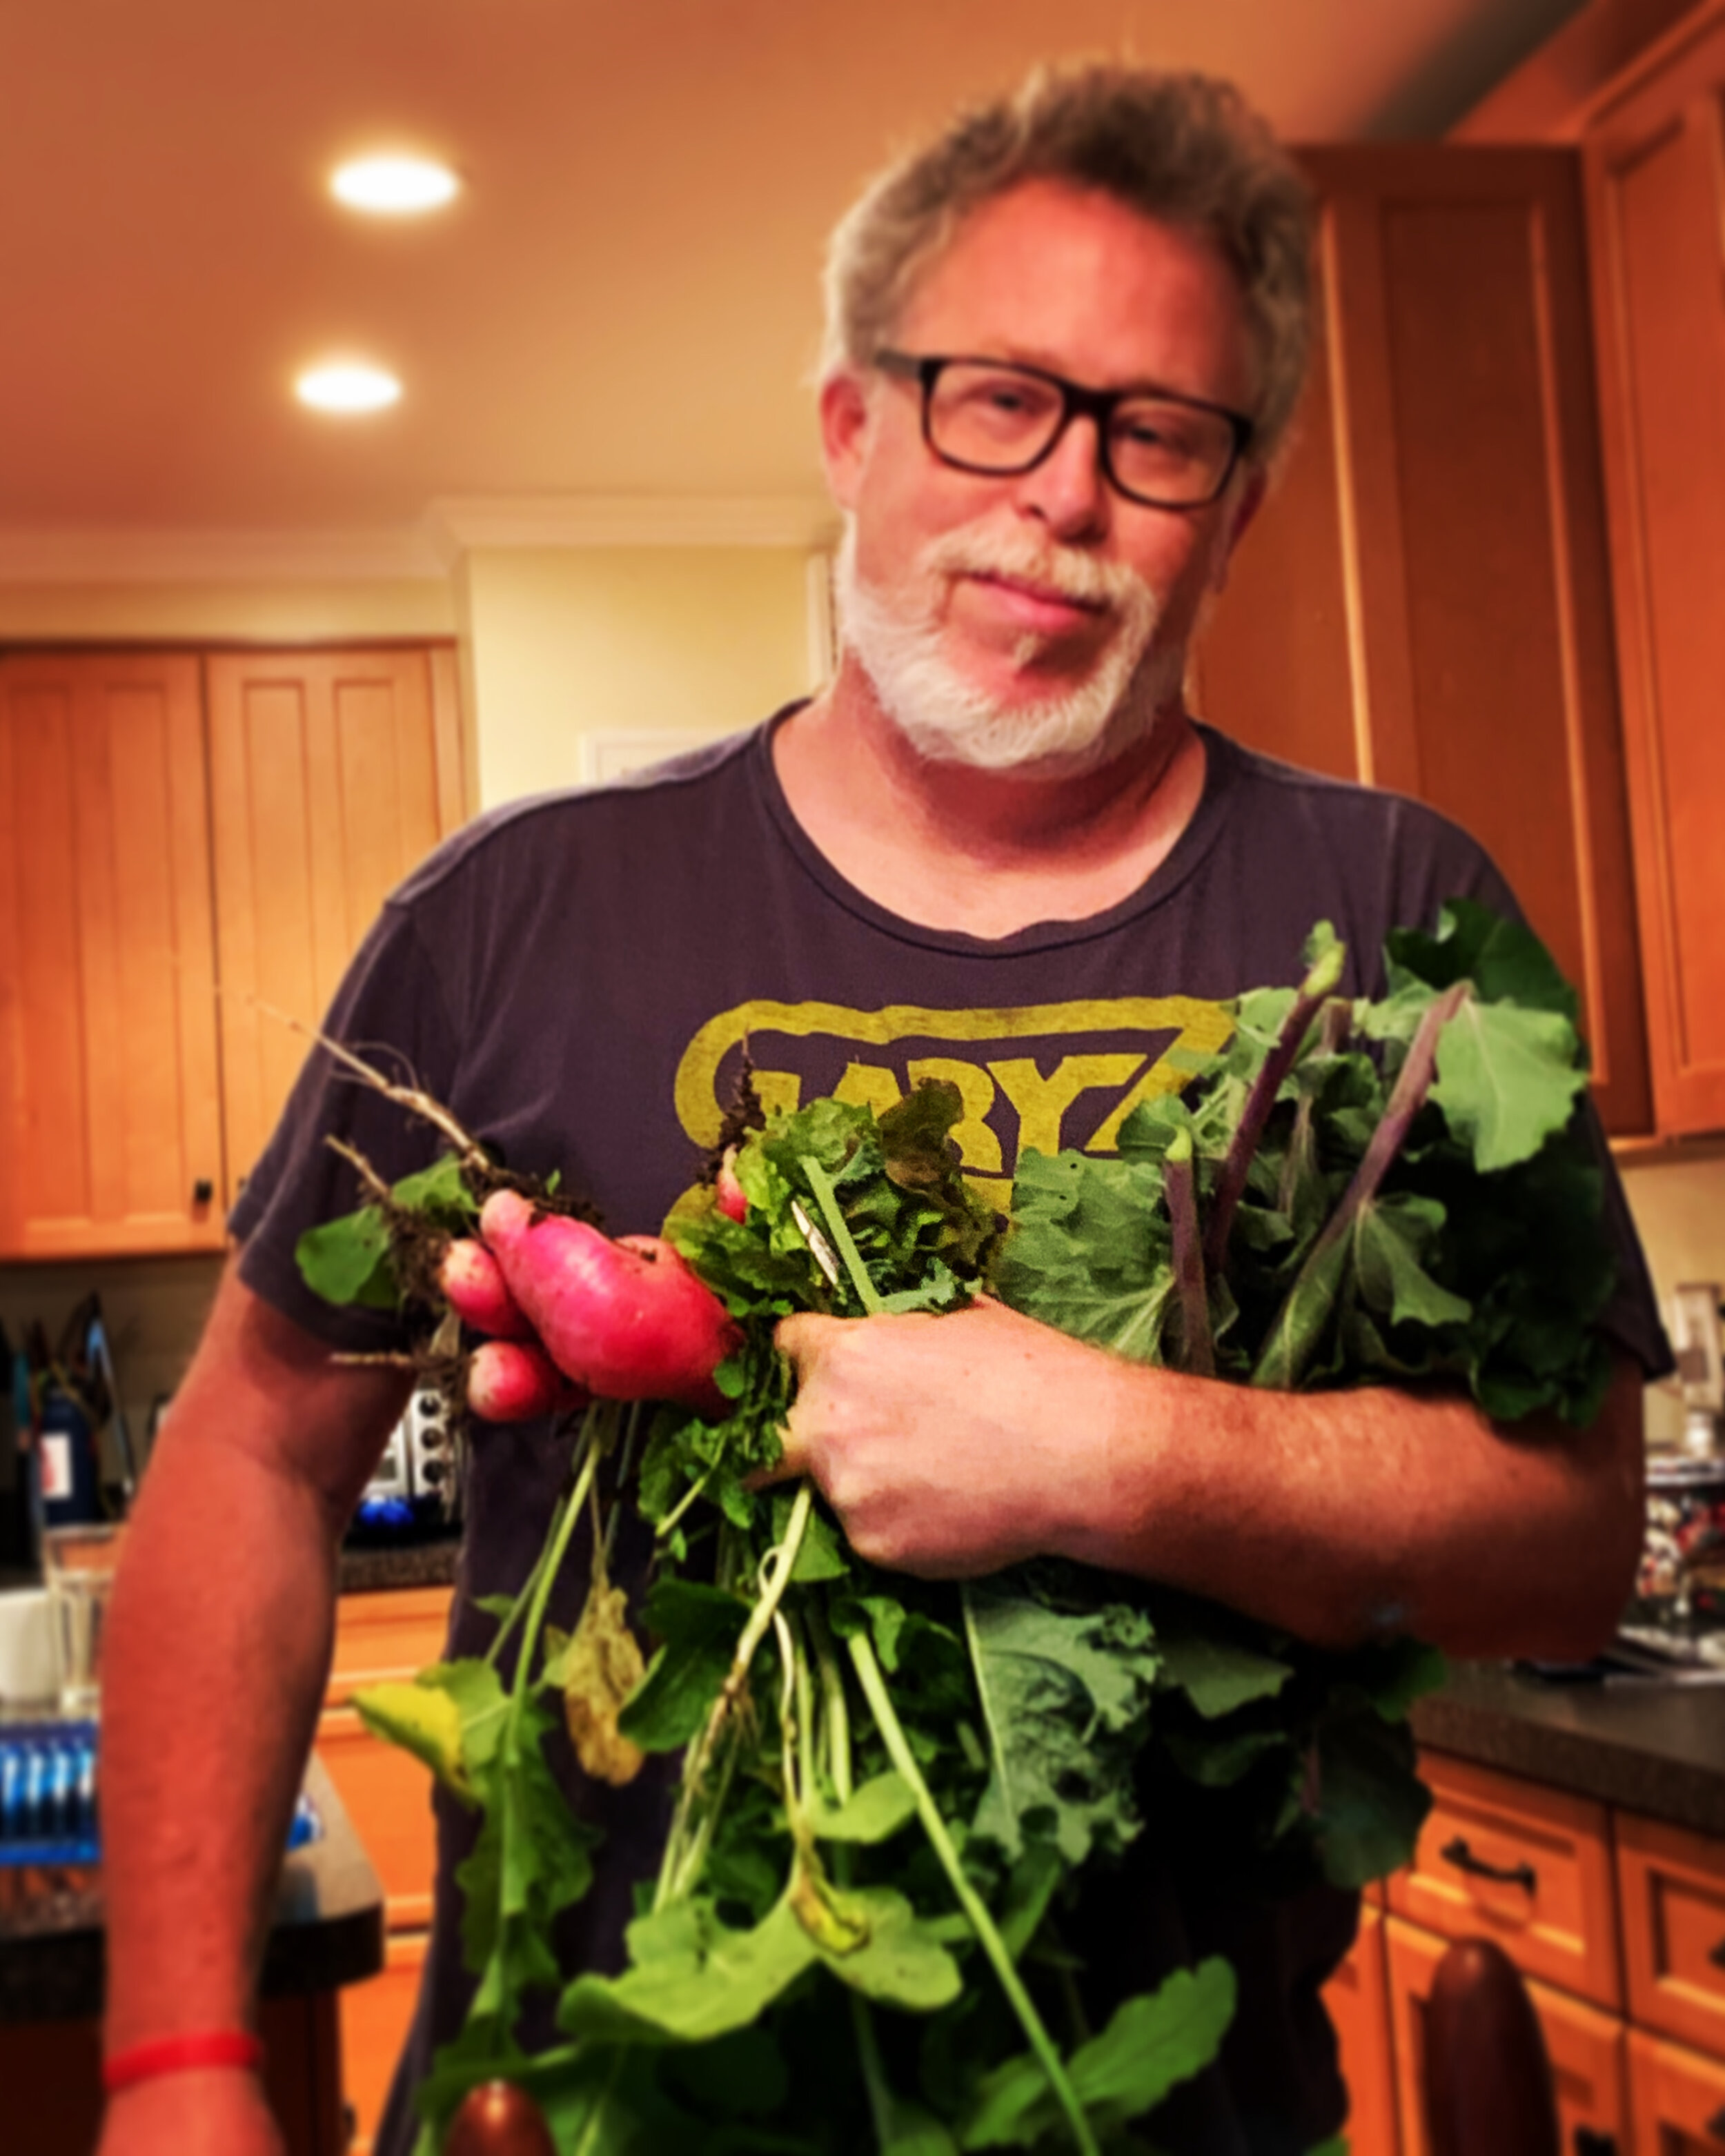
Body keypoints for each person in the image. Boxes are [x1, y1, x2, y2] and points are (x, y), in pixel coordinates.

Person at [97, 63, 1664, 2156]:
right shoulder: (510, 915)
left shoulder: (1397, 926)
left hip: (1154, 2113)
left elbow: (1569, 1544)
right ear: (853, 425)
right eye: (997, 397)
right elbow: (247, 1460)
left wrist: (1114, 1455)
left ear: (1237, 503)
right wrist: (177, 2061)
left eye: (1158, 432)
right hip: (585, 2108)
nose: (1066, 494)